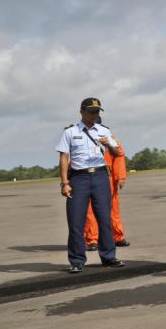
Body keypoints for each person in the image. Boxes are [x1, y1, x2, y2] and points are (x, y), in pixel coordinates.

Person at [56, 98, 124, 273]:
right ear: (82, 112)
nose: (95, 115)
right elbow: (64, 158)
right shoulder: (70, 132)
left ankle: (109, 257)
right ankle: (77, 260)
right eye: (91, 111)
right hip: (79, 178)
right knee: (76, 221)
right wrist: (65, 183)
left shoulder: (104, 130)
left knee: (104, 219)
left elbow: (117, 152)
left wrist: (108, 143)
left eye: (97, 112)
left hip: (100, 176)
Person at [84, 116, 129, 250]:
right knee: (90, 210)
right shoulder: (80, 136)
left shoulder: (109, 136)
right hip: (89, 177)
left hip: (108, 177)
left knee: (113, 209)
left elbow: (119, 154)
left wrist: (120, 177)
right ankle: (92, 240)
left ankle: (117, 237)